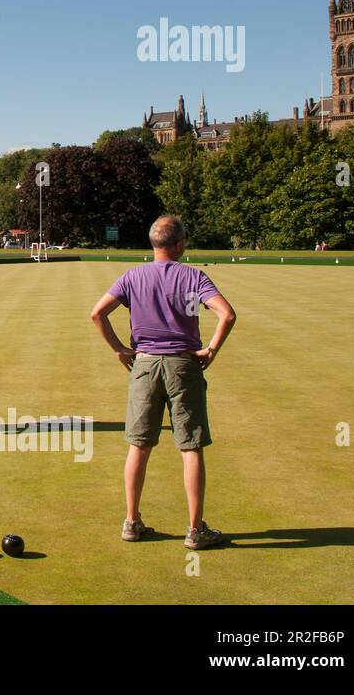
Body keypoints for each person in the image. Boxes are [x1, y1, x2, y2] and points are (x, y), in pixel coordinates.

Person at [89, 215, 237, 550]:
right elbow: (227, 314)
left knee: (139, 445)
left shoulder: (132, 275)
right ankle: (195, 530)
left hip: (143, 365)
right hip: (184, 365)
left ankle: (131, 522)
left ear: (154, 243)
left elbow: (97, 313)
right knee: (191, 446)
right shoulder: (194, 276)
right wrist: (211, 349)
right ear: (180, 243)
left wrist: (119, 351)